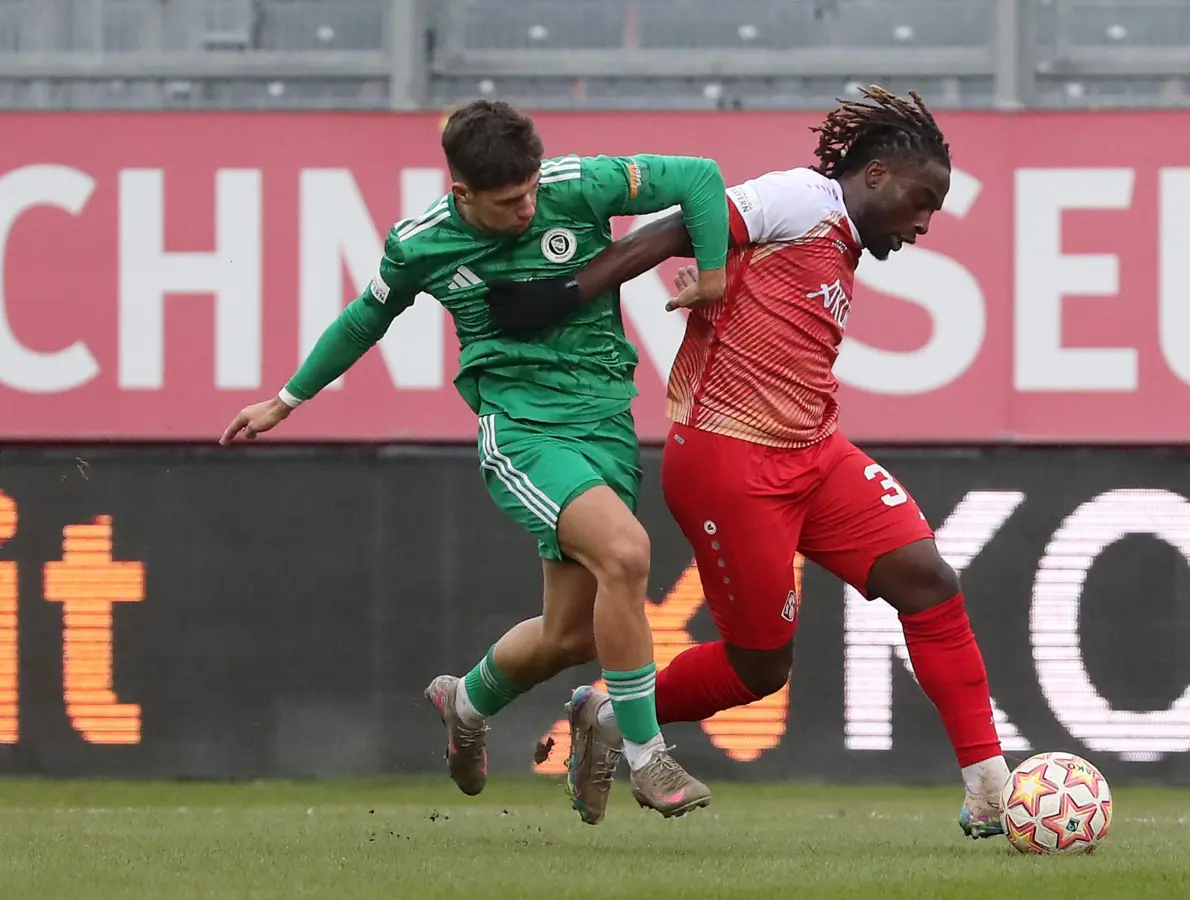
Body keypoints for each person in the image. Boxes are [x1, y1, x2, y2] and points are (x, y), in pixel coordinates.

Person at [217, 99, 732, 820]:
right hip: (523, 429)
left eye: (528, 192)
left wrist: (712, 274)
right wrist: (287, 398)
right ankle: (648, 757)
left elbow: (702, 180)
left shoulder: (577, 185)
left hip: (606, 419)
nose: (526, 208)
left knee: (570, 636)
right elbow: (369, 314)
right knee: (627, 555)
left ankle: (465, 701)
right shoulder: (422, 243)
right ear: (461, 193)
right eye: (507, 201)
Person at [546, 86, 1011, 837]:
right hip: (730, 464)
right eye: (923, 202)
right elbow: (677, 226)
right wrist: (569, 292)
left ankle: (990, 788)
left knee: (928, 581)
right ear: (880, 175)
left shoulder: (844, 241)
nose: (925, 224)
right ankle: (610, 710)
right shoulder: (802, 198)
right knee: (761, 668)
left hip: (813, 452)